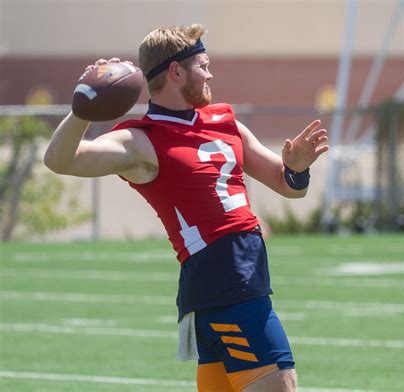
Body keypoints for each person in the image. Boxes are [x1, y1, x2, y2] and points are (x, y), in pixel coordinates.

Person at [44, 24, 328, 392]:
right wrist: (83, 109)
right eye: (203, 65)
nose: (210, 74)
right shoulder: (141, 140)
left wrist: (298, 167)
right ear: (176, 71)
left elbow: (286, 184)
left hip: (235, 284)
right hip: (229, 287)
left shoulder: (227, 123)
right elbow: (60, 160)